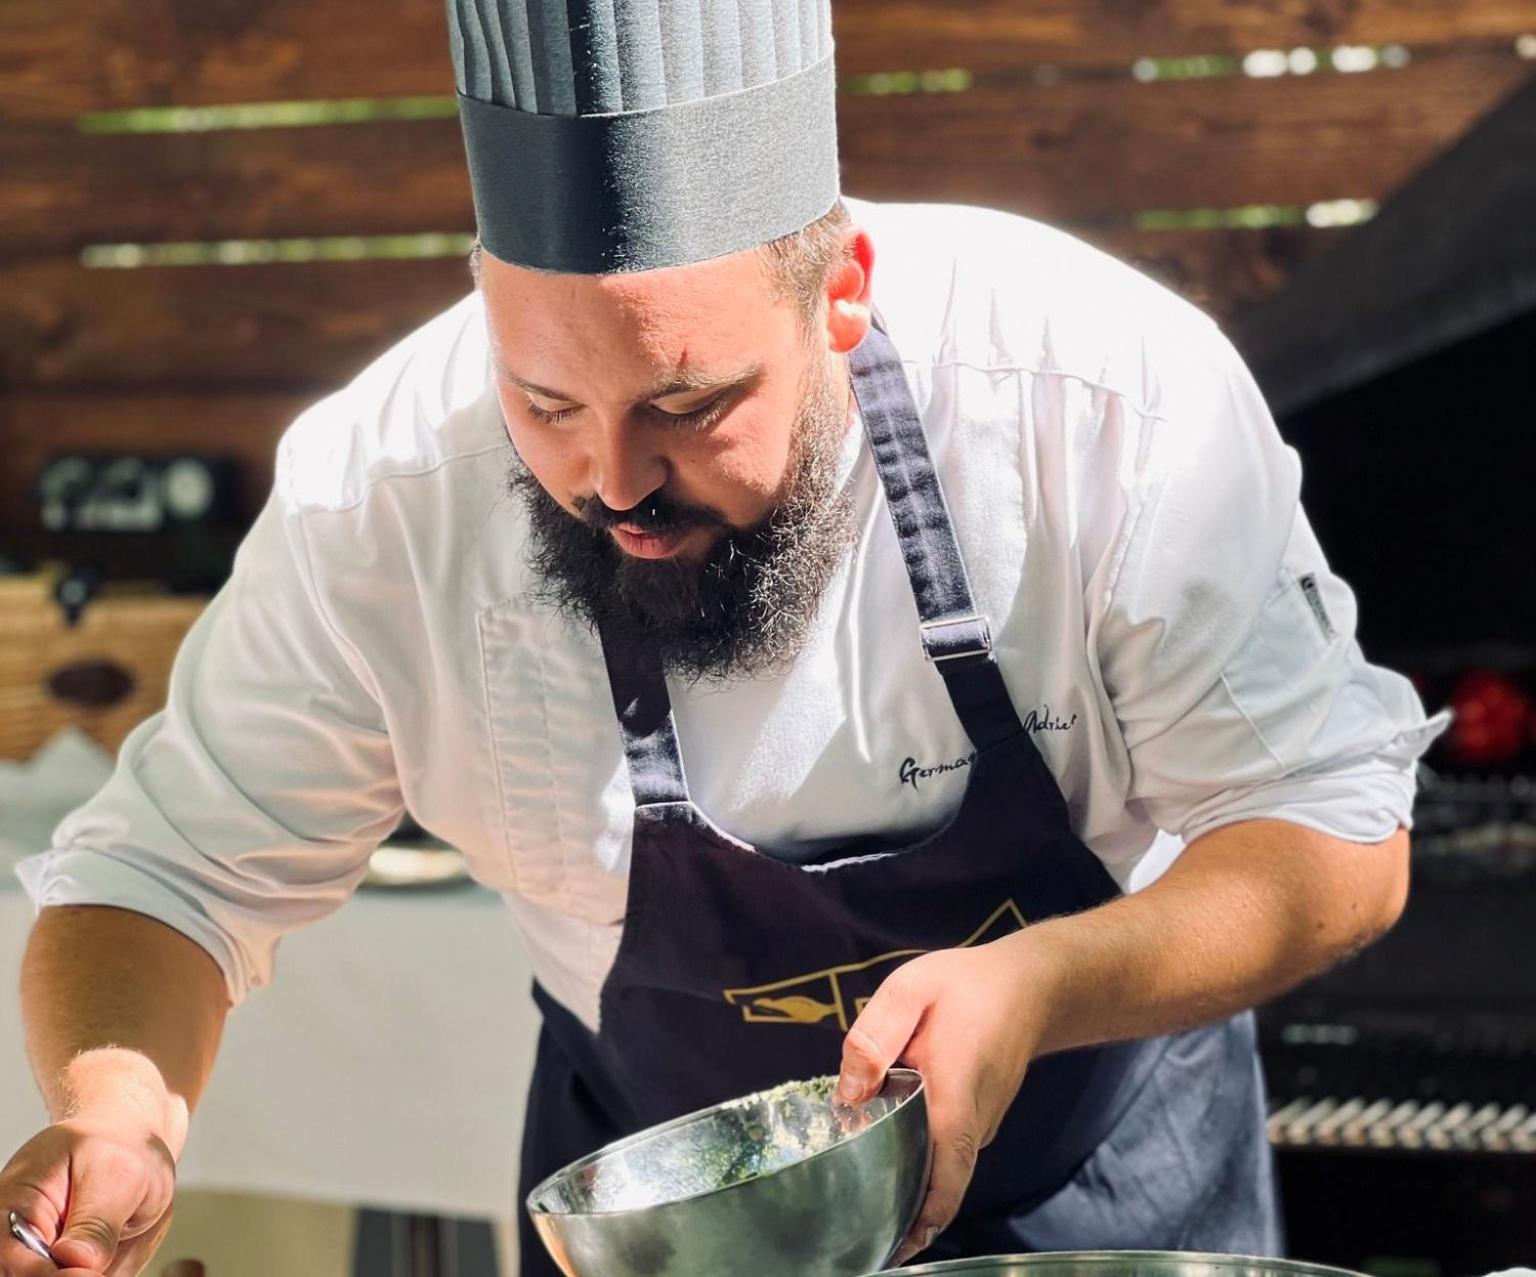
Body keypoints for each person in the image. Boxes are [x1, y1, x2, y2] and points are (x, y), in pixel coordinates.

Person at [3, 1, 1446, 1273]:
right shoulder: (383, 495)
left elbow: (1330, 829)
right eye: (547, 404)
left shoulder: (1095, 400)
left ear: (843, 289)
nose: (615, 482)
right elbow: (165, 875)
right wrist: (119, 1114)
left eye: (688, 406)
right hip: (664, 1230)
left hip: (1098, 1184)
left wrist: (1044, 979)